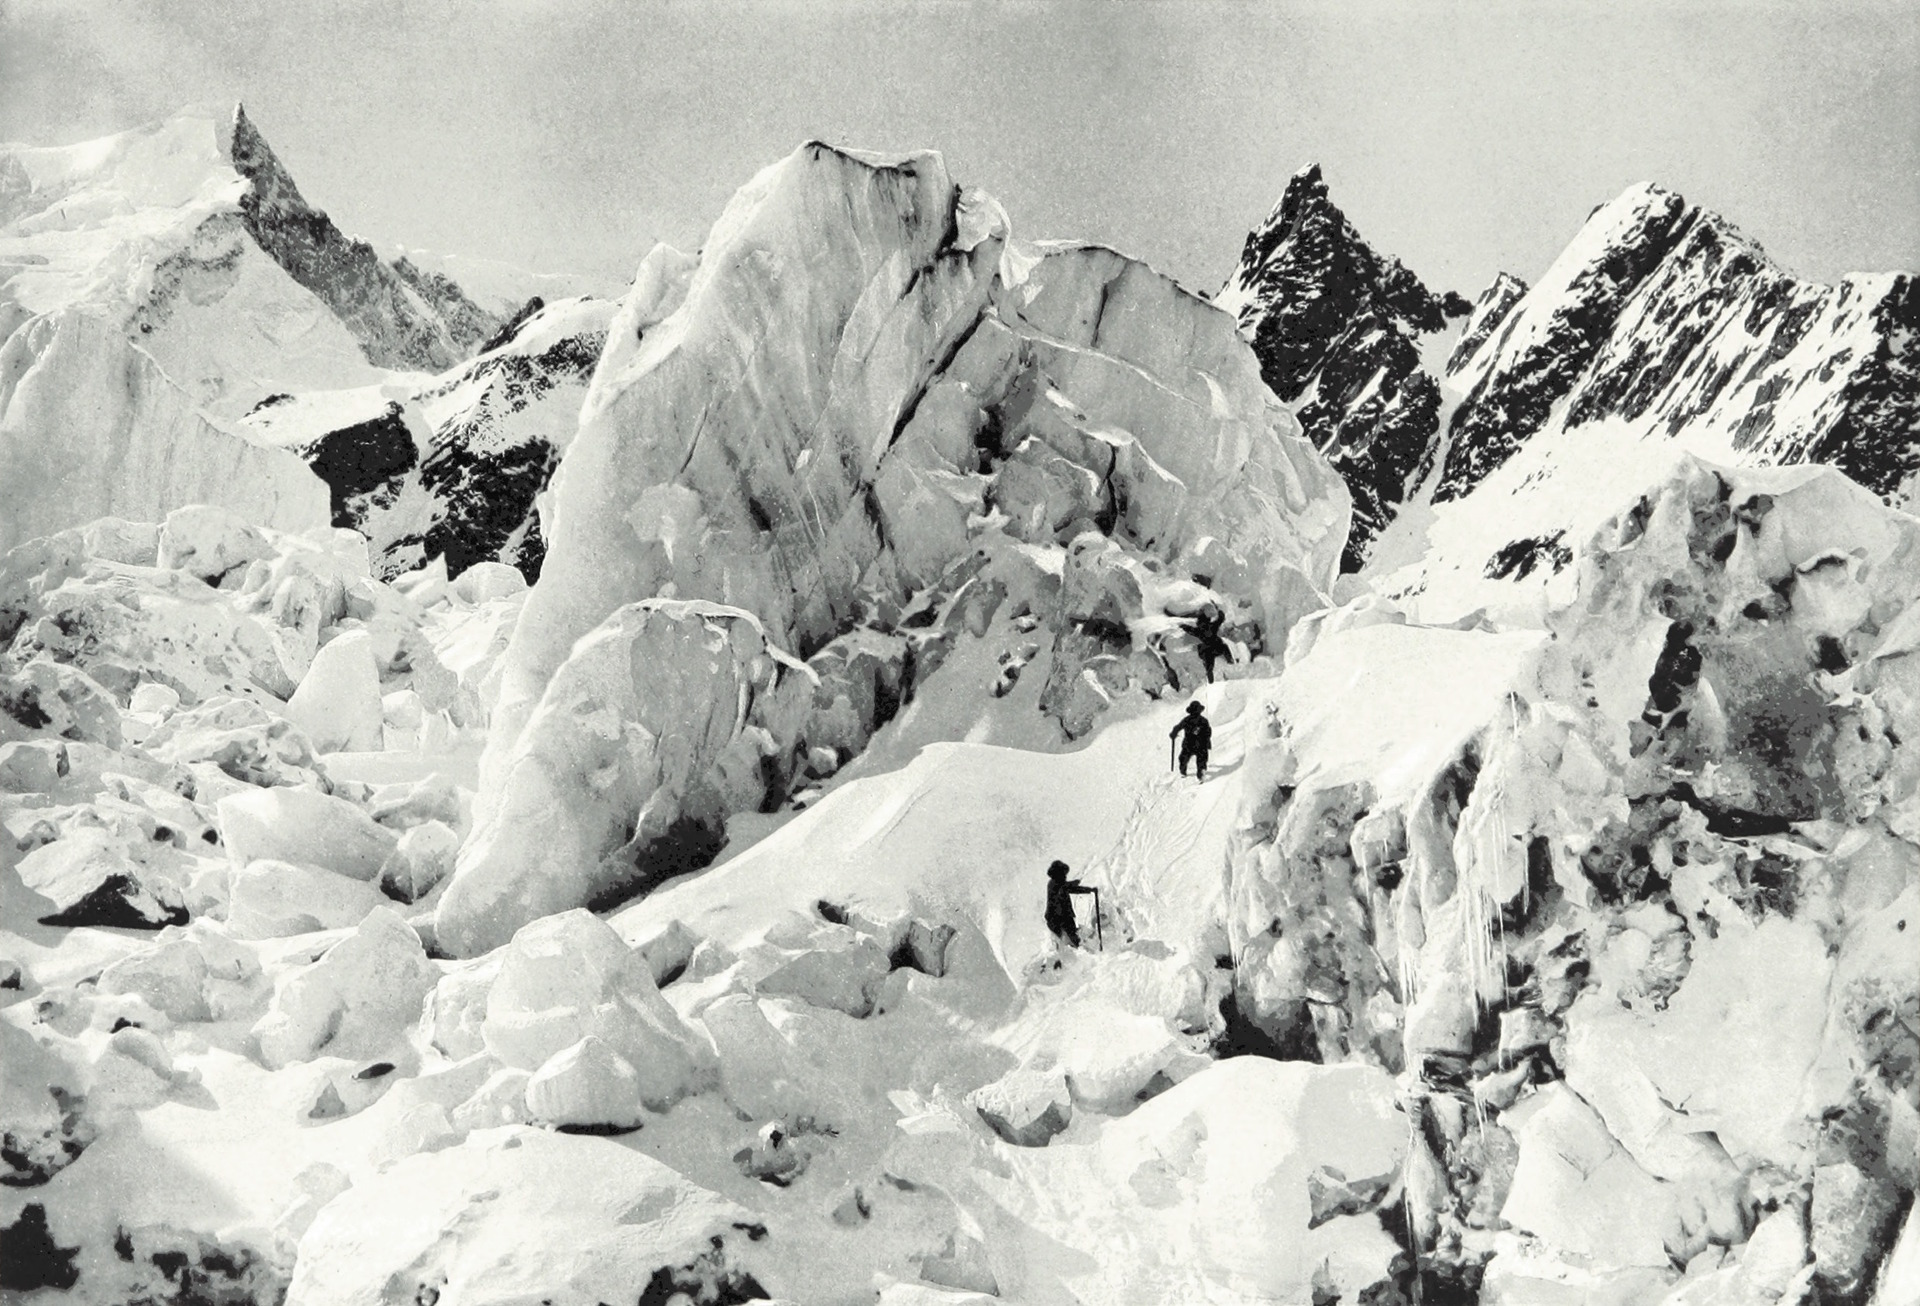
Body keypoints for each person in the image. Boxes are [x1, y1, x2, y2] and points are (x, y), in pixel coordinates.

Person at [1044, 859, 1097, 948]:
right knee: (1069, 939)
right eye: (1063, 874)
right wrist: (1081, 886)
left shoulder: (1055, 884)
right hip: (1058, 918)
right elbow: (1067, 887)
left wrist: (1087, 889)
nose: (1065, 876)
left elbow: (1069, 887)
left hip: (1060, 917)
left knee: (1069, 938)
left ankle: (1077, 949)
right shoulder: (1054, 884)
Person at [1170, 701, 1211, 780]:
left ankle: (1183, 772)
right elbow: (1208, 733)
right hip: (1200, 745)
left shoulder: (1187, 719)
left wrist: (1173, 734)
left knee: (1183, 758)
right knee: (1201, 761)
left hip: (1189, 744)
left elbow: (1178, 727)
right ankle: (1201, 775)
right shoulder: (1204, 720)